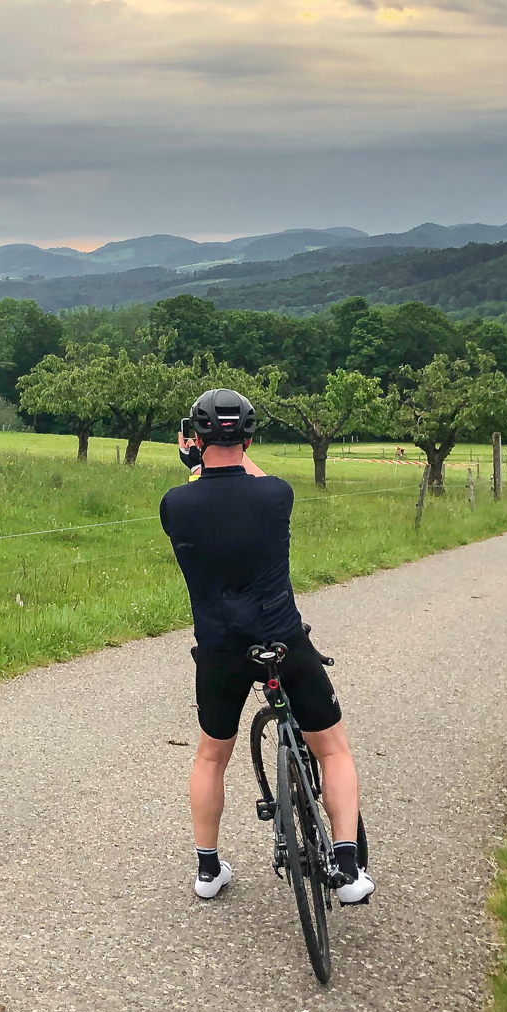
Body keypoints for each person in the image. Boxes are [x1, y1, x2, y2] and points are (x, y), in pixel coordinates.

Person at [159, 387, 374, 905]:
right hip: (283, 641)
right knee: (333, 749)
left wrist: (198, 459)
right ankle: (346, 869)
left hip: (219, 650)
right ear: (250, 436)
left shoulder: (176, 505)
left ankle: (209, 871)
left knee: (212, 757)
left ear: (195, 438)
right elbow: (247, 480)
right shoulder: (277, 494)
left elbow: (206, 486)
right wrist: (234, 447)